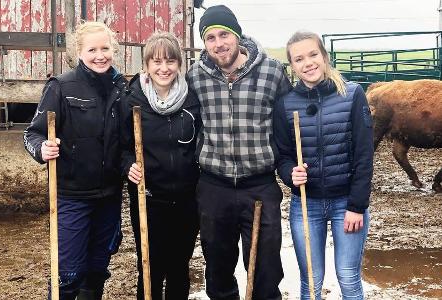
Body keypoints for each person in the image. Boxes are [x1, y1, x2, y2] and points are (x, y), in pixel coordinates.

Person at [186, 5, 292, 300]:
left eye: (224, 35)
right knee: (218, 268)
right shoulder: (195, 76)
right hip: (213, 185)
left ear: (237, 35)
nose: (219, 44)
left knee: (266, 268)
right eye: (210, 38)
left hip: (259, 184)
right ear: (204, 43)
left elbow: (286, 123)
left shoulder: (272, 72)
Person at [23, 21, 127, 300]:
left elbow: (128, 139)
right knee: (68, 274)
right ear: (79, 52)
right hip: (72, 196)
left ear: (113, 50)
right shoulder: (61, 86)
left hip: (109, 195)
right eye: (92, 49)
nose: (100, 55)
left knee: (97, 270)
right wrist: (41, 149)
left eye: (105, 48)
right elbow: (32, 133)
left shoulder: (121, 88)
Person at [273, 31, 374, 300]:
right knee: (311, 280)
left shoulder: (352, 95)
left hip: (346, 203)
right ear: (292, 66)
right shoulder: (285, 104)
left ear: (325, 56)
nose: (308, 63)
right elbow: (282, 156)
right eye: (299, 59)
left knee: (348, 276)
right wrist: (290, 174)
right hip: (307, 204)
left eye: (313, 54)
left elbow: (365, 155)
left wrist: (357, 206)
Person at [120, 32, 200, 300]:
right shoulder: (132, 100)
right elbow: (119, 145)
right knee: (150, 266)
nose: (163, 68)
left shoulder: (192, 100)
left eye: (170, 61)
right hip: (149, 198)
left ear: (179, 64)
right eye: (156, 62)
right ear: (146, 66)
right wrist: (128, 164)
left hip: (188, 199)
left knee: (179, 267)